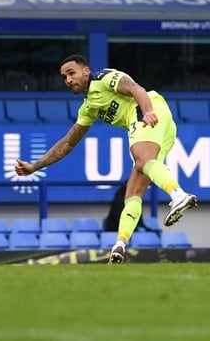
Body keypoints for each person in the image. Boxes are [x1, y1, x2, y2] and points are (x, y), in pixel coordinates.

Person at [15, 54, 197, 264]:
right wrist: (35, 166)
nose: (68, 80)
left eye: (71, 73)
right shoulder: (88, 108)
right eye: (64, 77)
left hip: (147, 109)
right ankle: (119, 246)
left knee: (141, 160)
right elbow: (67, 143)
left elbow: (136, 89)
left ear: (86, 71)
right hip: (163, 124)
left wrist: (146, 112)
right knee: (132, 192)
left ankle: (179, 195)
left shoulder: (103, 77)